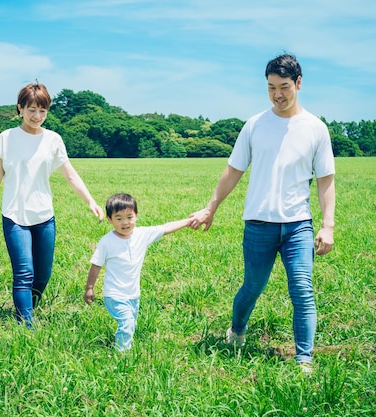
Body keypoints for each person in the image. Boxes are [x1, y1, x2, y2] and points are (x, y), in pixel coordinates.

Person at [189, 54, 336, 372]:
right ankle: (237, 330)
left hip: (298, 224)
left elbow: (326, 181)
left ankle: (304, 359)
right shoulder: (255, 125)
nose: (277, 94)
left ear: (298, 83)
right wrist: (211, 208)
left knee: (302, 287)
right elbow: (232, 171)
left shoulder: (316, 129)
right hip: (258, 223)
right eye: (271, 88)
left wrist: (328, 226)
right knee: (252, 286)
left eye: (283, 87)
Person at [0, 82, 104, 329]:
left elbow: (71, 175)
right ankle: (26, 326)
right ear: (20, 109)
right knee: (24, 273)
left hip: (44, 216)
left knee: (42, 275)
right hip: (14, 216)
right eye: (31, 109)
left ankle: (27, 307)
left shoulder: (53, 140)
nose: (37, 116)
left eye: (42, 111)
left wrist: (91, 201)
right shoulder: (7, 138)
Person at [84, 193, 192, 351]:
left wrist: (188, 221)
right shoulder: (107, 242)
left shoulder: (142, 235)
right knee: (127, 322)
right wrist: (89, 288)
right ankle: (121, 357)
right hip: (114, 295)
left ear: (136, 216)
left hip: (134, 295)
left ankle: (125, 344)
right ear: (109, 219)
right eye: (119, 218)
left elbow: (166, 228)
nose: (125, 222)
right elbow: (96, 265)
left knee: (131, 324)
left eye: (129, 217)